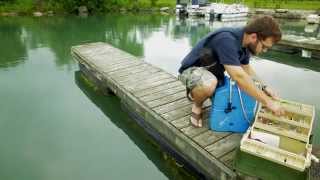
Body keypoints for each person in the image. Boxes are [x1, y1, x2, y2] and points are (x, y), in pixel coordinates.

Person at [178, 15, 285, 128]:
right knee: (208, 84)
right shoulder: (226, 39)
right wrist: (268, 102)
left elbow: (246, 69)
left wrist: (264, 87)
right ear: (254, 37)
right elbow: (239, 77)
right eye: (264, 46)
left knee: (216, 83)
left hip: (212, 72)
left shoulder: (245, 44)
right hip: (191, 70)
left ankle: (204, 91)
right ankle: (197, 105)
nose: (264, 50)